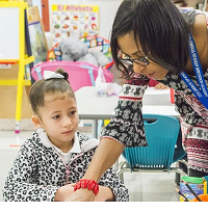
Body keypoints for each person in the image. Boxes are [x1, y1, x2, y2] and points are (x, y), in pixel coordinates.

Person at [67, 0, 208, 201]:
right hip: (198, 135)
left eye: (141, 57)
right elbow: (122, 124)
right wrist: (89, 184)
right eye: (129, 57)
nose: (138, 69)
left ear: (168, 40)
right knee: (195, 198)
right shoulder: (145, 54)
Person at [2, 69, 129, 202]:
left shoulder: (92, 149)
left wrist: (100, 192)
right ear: (38, 122)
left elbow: (122, 192)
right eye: (56, 116)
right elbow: (10, 191)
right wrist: (59, 193)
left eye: (72, 112)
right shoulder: (32, 149)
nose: (68, 123)